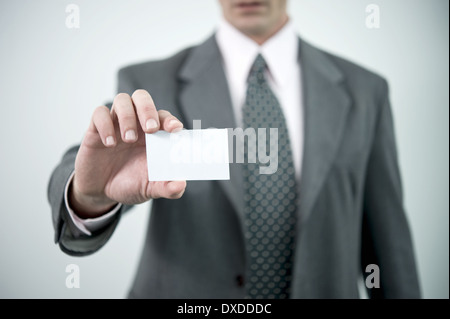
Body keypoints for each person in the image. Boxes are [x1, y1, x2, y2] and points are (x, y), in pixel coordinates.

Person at [48, 0, 421, 298]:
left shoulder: (365, 91)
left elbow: (388, 248)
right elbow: (88, 166)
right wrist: (88, 195)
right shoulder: (150, 84)